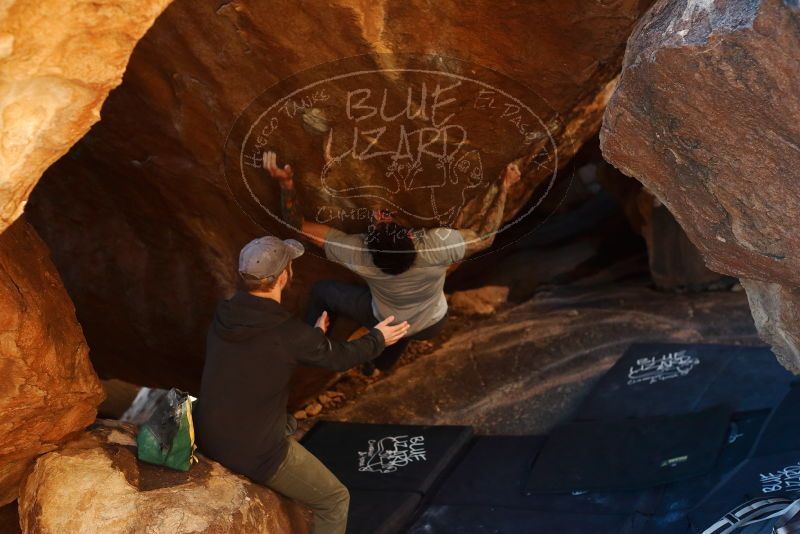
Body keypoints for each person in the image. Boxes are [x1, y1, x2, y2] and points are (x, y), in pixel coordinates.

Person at [194, 235, 410, 534]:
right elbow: (340, 358)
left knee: (290, 423)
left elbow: (266, 353)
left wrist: (311, 340)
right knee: (335, 499)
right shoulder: (289, 334)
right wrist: (378, 339)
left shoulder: (226, 313)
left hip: (208, 429)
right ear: (284, 276)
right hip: (251, 450)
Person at [263, 151, 521, 373]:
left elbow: (297, 226)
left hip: (384, 318)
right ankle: (378, 366)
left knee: (323, 292)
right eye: (381, 221)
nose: (378, 215)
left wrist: (286, 186)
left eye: (379, 222)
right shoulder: (437, 246)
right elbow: (485, 238)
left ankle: (313, 347)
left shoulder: (359, 254)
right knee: (404, 331)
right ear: (410, 235)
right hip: (431, 323)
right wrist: (505, 187)